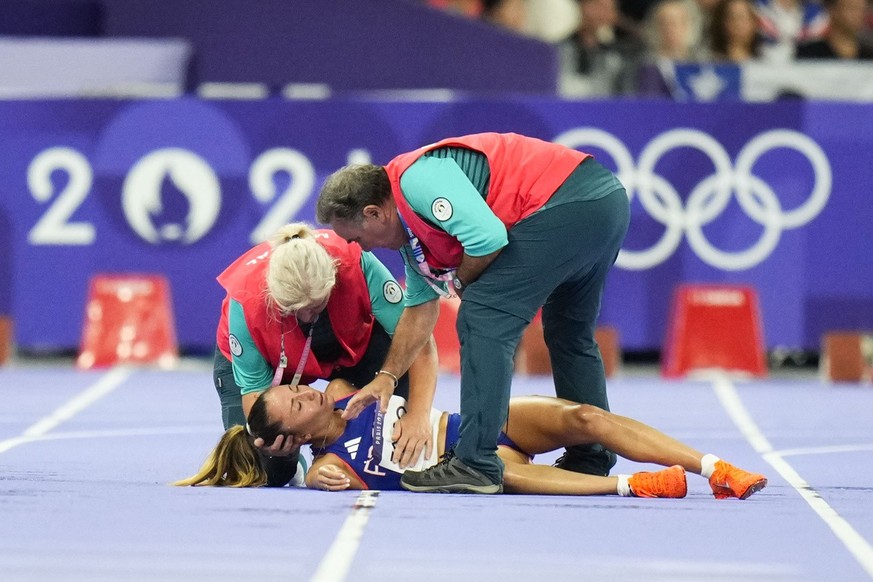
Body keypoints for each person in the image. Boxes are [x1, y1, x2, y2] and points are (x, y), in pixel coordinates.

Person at [315, 132, 630, 494]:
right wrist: (387, 376)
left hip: (568, 202)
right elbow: (419, 310)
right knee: (567, 332)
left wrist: (461, 282)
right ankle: (591, 456)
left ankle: (475, 461)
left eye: (356, 238)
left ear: (374, 213)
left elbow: (488, 239)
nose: (362, 249)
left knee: (481, 314)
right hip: (604, 202)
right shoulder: (412, 238)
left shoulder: (416, 181)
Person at [177, 380, 768, 501]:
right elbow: (319, 482)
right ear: (292, 435)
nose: (304, 393)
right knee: (501, 474)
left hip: (477, 423)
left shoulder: (343, 389)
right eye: (295, 405)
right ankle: (636, 485)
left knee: (584, 416)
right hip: (468, 463)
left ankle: (714, 467)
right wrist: (304, 472)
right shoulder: (327, 467)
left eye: (295, 388)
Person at [212, 222, 438, 486]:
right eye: (296, 309)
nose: (308, 316)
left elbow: (419, 342)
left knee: (396, 429)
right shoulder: (246, 301)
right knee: (265, 469)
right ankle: (293, 466)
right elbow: (256, 396)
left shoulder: (356, 263)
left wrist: (417, 415)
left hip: (352, 341)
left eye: (315, 305)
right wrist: (281, 450)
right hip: (270, 358)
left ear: (333, 278)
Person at [795, 0, 873, 59]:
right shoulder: (809, 53)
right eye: (852, 8)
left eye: (863, 9)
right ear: (832, 10)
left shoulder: (869, 55)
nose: (859, 15)